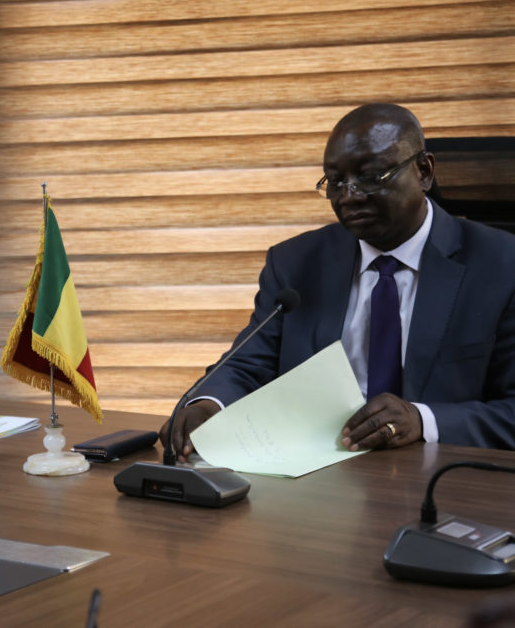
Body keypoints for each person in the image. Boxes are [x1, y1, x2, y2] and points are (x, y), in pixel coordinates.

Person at [164, 103, 515, 459]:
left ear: (424, 172)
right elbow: (248, 363)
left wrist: (422, 420)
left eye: (370, 177)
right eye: (336, 181)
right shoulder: (296, 263)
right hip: (317, 479)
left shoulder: (501, 266)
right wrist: (209, 404)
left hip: (446, 479)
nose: (349, 196)